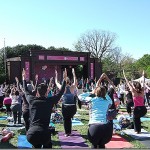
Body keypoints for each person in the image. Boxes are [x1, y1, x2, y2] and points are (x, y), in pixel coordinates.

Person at [22, 68, 67, 148]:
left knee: (37, 145)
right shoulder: (49, 101)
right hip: (44, 133)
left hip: (31, 134)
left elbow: (25, 90)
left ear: (37, 93)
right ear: (47, 92)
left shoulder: (32, 100)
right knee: (48, 144)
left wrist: (24, 79)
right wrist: (64, 80)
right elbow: (61, 92)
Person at [78, 73, 113, 148]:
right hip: (106, 128)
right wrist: (103, 92)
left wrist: (91, 92)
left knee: (94, 145)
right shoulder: (108, 101)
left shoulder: (92, 99)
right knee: (102, 145)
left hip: (94, 127)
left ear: (96, 92)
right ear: (105, 93)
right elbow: (107, 97)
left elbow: (80, 96)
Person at [55, 68, 77, 137]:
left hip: (66, 107)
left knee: (66, 120)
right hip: (73, 107)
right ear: (69, 82)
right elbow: (76, 81)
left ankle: (67, 133)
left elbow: (56, 82)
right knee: (69, 119)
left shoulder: (62, 87)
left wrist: (56, 75)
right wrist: (73, 73)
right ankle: (69, 132)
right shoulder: (72, 87)